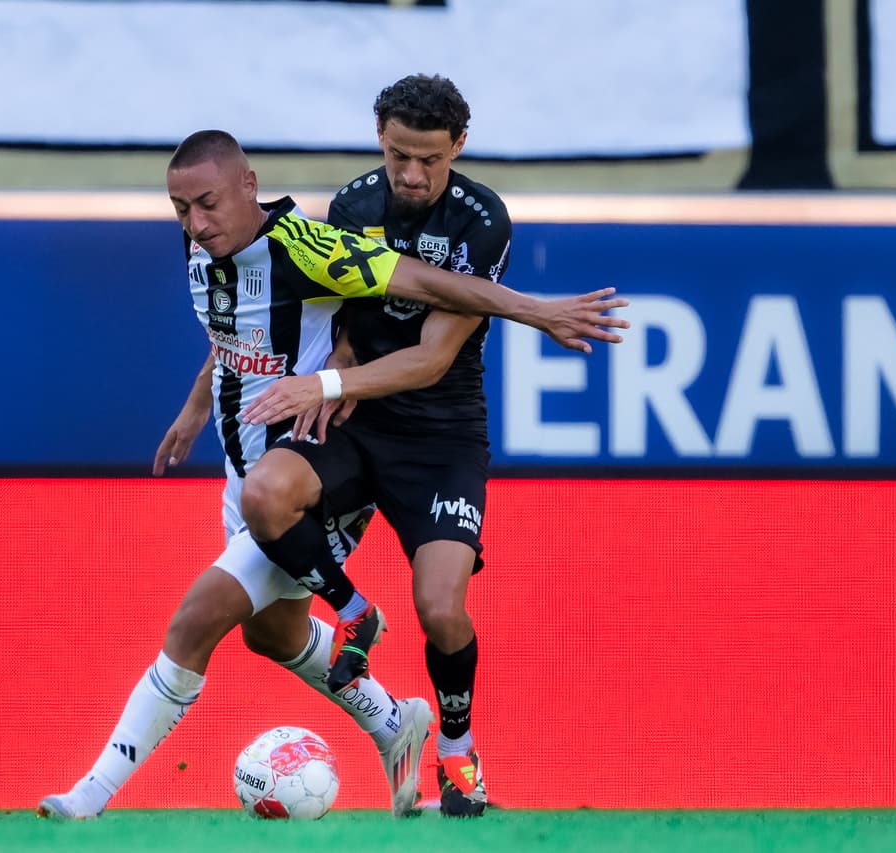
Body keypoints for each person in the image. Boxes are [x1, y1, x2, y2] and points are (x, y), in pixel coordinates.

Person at [38, 128, 626, 821]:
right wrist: (197, 403)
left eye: (207, 204)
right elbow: (233, 330)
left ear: (249, 186)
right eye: (180, 208)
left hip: (304, 473)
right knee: (273, 633)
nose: (194, 222)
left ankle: (91, 794)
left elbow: (429, 283)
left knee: (196, 621)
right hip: (241, 473)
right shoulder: (203, 245)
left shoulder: (311, 248)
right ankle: (395, 723)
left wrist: (539, 310)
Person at [238, 74, 629, 817]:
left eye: (429, 159)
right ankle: (354, 610)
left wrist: (322, 384)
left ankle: (457, 749)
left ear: (459, 146)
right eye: (398, 156)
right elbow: (344, 321)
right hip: (359, 419)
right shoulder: (353, 207)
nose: (412, 175)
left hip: (441, 435)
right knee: (265, 493)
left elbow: (430, 359)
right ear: (379, 140)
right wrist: (338, 371)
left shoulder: (484, 219)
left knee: (441, 609)